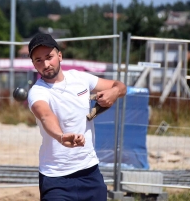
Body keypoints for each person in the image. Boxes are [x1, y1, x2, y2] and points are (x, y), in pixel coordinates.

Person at [27, 33, 127, 201]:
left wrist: (114, 93)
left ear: (59, 55)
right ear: (34, 64)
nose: (45, 64)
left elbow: (121, 86)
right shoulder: (37, 92)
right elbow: (45, 115)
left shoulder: (80, 78)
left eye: (49, 57)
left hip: (90, 172)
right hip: (55, 178)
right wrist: (61, 136)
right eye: (38, 60)